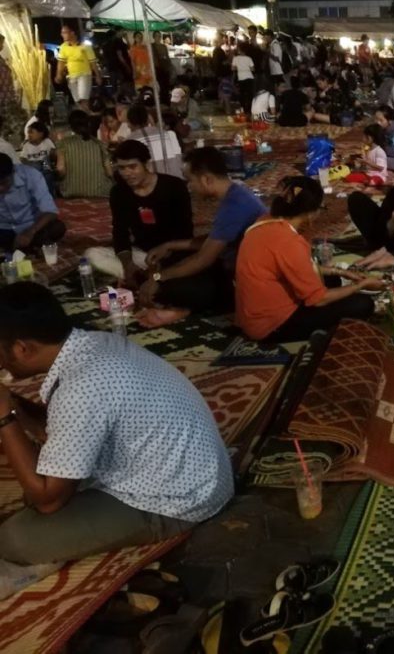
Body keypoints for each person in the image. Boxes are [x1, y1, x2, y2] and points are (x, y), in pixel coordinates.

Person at [0, 283, 233, 592]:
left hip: (178, 500)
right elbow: (57, 426)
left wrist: (4, 416)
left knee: (14, 539)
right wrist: (14, 404)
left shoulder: (80, 387)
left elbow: (47, 500)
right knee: (41, 475)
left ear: (21, 348)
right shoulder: (92, 343)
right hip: (197, 473)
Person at [234, 176, 379, 343]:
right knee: (362, 304)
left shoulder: (265, 221)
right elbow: (318, 300)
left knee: (332, 280)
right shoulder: (289, 242)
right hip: (271, 326)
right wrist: (360, 285)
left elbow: (297, 267)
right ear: (310, 213)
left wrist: (339, 271)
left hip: (252, 315)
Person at [135, 148, 267, 328]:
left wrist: (158, 277)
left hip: (241, 281)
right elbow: (214, 239)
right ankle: (185, 305)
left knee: (166, 285)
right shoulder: (236, 191)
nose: (189, 186)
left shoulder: (235, 205)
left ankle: (187, 309)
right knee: (172, 259)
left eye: (190, 180)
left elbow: (203, 259)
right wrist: (170, 245)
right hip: (231, 266)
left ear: (206, 179)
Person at [84, 141, 193, 288]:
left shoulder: (174, 186)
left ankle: (153, 277)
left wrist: (166, 253)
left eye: (132, 167)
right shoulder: (118, 192)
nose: (127, 173)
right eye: (122, 168)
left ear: (146, 164)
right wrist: (128, 264)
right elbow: (120, 231)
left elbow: (185, 231)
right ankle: (144, 276)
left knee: (189, 263)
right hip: (142, 254)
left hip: (172, 253)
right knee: (92, 254)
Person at [0, 153, 65, 254]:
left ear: (13, 172)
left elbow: (50, 211)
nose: (1, 188)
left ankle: (16, 248)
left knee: (57, 227)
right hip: (4, 228)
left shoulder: (31, 175)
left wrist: (30, 232)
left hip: (31, 225)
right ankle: (24, 247)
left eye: (4, 183)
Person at [54, 109, 113, 199]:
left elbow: (61, 169)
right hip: (100, 192)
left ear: (71, 126)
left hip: (71, 192)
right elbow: (109, 172)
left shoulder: (63, 144)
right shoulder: (99, 144)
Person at [123, 104, 184, 179]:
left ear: (129, 123)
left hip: (152, 185)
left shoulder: (129, 142)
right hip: (176, 180)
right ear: (148, 118)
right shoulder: (169, 134)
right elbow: (179, 160)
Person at [55, 24, 101, 110]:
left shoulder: (85, 46)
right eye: (62, 33)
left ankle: (87, 117)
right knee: (77, 101)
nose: (62, 35)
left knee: (84, 99)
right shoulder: (63, 47)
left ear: (72, 33)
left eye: (65, 32)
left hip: (84, 74)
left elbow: (93, 62)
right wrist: (59, 74)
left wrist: (98, 75)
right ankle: (84, 117)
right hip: (71, 77)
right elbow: (61, 62)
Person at [20, 121, 57, 193]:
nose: (29, 135)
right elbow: (22, 159)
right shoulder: (27, 145)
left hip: (45, 168)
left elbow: (54, 154)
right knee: (36, 165)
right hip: (33, 169)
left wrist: (52, 155)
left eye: (31, 132)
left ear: (41, 134)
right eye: (28, 133)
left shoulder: (47, 142)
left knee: (45, 162)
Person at [232, 43, 256, 115]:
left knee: (242, 94)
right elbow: (253, 69)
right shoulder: (249, 58)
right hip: (249, 77)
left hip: (241, 78)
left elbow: (233, 68)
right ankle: (249, 108)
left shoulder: (235, 58)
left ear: (239, 50)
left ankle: (243, 109)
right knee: (249, 94)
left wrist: (239, 67)